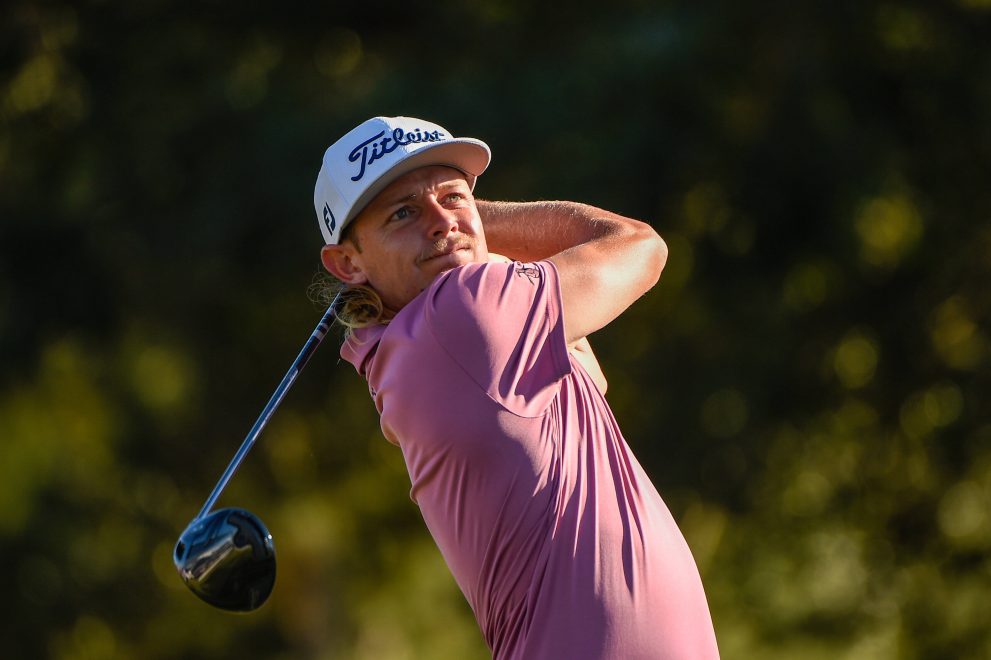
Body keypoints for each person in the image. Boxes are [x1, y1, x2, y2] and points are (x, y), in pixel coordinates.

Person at [313, 116, 719, 659]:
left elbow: (592, 379)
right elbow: (640, 247)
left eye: (454, 197)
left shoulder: (404, 347)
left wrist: (447, 228)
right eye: (403, 213)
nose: (441, 222)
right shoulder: (466, 308)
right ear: (347, 263)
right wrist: (473, 220)